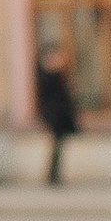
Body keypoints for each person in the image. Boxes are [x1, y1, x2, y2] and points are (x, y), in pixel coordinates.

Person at [34, 49, 79, 187]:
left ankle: (53, 175)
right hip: (56, 117)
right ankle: (52, 176)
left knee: (58, 146)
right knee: (56, 146)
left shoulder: (56, 76)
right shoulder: (49, 77)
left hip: (60, 117)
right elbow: (51, 99)